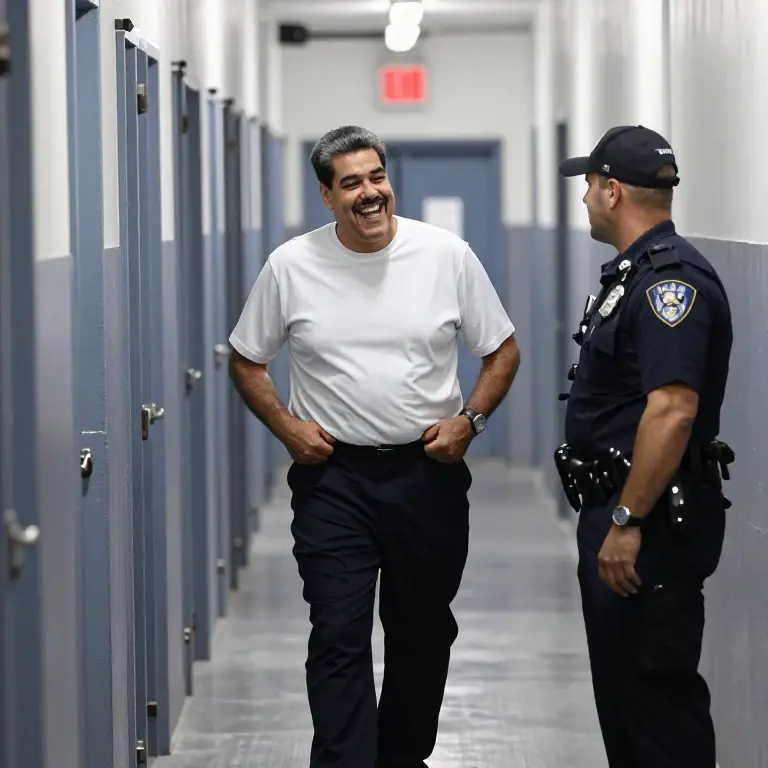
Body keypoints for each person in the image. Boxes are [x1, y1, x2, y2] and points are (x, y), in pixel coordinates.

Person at [228, 125, 520, 768]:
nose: (369, 193)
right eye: (351, 182)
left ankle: (402, 757)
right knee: (338, 632)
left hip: (427, 474)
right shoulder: (291, 265)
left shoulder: (445, 255)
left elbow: (501, 349)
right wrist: (287, 427)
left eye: (376, 177)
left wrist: (470, 420)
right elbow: (247, 358)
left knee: (423, 632)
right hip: (335, 479)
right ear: (326, 196)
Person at [556, 124, 734, 768]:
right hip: (624, 511)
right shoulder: (634, 275)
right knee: (627, 704)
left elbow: (673, 410)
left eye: (588, 186)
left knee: (657, 713)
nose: (584, 199)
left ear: (612, 191)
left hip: (649, 524)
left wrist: (627, 521)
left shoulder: (669, 284)